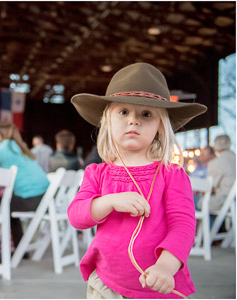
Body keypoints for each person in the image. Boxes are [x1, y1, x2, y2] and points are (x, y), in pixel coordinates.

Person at [68, 63, 206, 298]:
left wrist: (165, 267)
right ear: (107, 121)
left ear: (160, 126)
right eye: (123, 112)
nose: (134, 121)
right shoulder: (97, 173)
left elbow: (182, 226)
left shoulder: (171, 174)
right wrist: (110, 201)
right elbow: (77, 216)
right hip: (105, 285)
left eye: (146, 114)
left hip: (158, 287)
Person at [0, 120, 50, 248]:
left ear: (3, 136)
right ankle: (20, 249)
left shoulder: (5, 148)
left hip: (32, 199)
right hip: (44, 198)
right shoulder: (16, 146)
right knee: (7, 203)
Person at [208, 135, 235, 217]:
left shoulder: (218, 162)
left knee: (190, 201)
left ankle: (206, 229)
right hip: (233, 202)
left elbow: (209, 187)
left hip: (223, 201)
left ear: (216, 146)